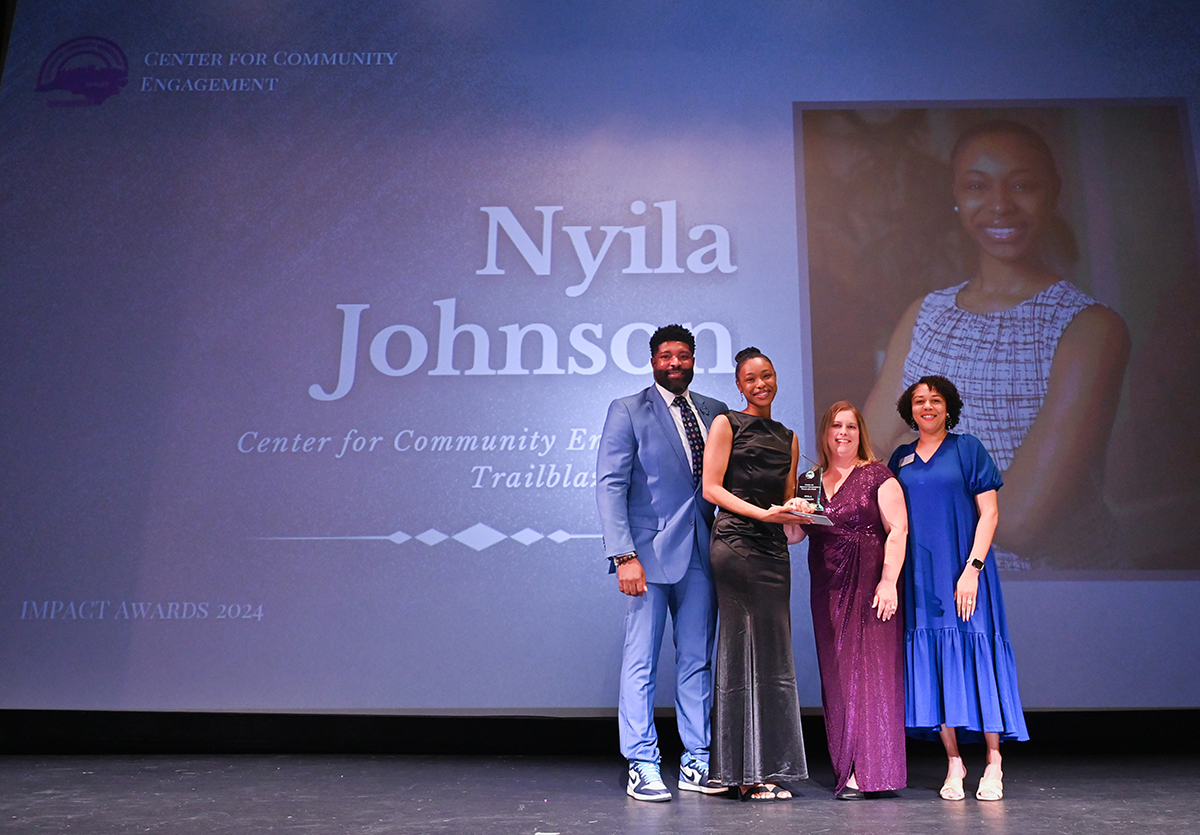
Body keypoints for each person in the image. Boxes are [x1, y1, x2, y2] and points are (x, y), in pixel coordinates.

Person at [864, 119, 1130, 569]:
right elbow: (863, 468)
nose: (1000, 205)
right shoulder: (925, 313)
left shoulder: (1089, 327)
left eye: (1022, 185)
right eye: (977, 186)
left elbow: (1023, 522)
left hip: (1053, 596)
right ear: (955, 195)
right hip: (931, 579)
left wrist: (911, 449)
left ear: (1053, 192)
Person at [596, 324, 730, 802]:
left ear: (694, 360)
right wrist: (624, 555)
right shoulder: (628, 410)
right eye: (665, 355)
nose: (675, 363)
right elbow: (610, 485)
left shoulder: (714, 412)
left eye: (684, 355)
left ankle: (697, 758)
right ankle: (642, 762)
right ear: (652, 360)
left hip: (702, 554)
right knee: (642, 663)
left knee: (697, 661)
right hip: (646, 559)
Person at [887, 375, 1028, 802]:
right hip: (920, 578)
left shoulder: (968, 448)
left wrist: (973, 569)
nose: (926, 407)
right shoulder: (901, 458)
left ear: (949, 407)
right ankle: (953, 761)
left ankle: (993, 761)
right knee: (934, 661)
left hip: (966, 573)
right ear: (909, 410)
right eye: (918, 401)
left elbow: (989, 514)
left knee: (975, 652)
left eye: (934, 400)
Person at [701, 347, 807, 801]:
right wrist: (764, 515)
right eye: (750, 378)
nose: (760, 383)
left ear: (776, 378)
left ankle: (771, 767)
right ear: (739, 385)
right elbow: (711, 488)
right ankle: (742, 773)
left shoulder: (789, 437)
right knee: (742, 650)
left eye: (767, 375)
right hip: (735, 545)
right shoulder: (727, 423)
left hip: (772, 551)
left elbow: (787, 506)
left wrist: (800, 515)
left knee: (773, 655)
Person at [788, 401, 908, 800]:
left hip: (871, 585)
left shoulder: (877, 475)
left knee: (873, 675)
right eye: (836, 425)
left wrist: (888, 582)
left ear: (861, 433)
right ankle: (849, 765)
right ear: (825, 432)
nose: (843, 433)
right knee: (837, 677)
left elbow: (898, 530)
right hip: (827, 589)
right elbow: (794, 536)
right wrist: (791, 510)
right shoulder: (809, 480)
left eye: (851, 426)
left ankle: (874, 770)